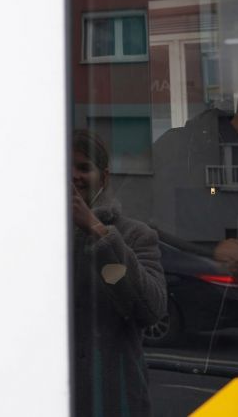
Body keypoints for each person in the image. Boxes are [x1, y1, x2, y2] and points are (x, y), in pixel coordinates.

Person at [70, 130, 167, 417]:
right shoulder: (39, 235)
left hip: (113, 400)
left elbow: (148, 310)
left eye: (84, 168)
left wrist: (98, 233)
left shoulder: (135, 236)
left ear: (105, 177)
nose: (73, 176)